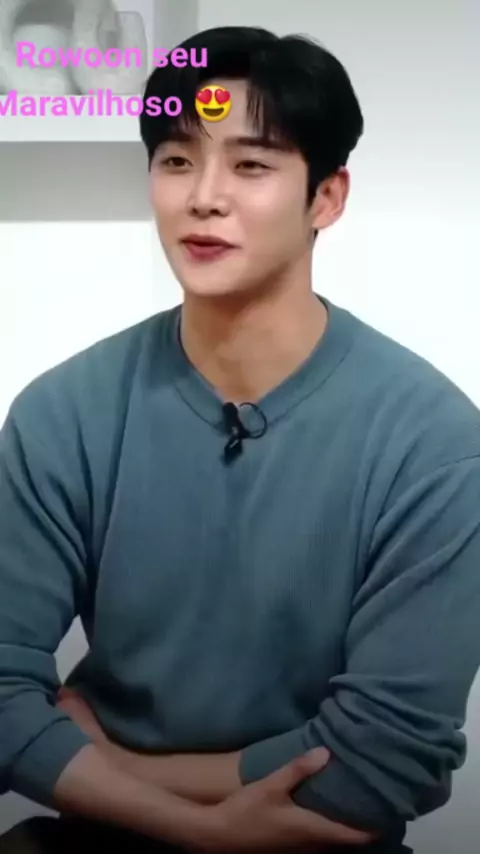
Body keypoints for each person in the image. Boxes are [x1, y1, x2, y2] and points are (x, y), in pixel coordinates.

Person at [0, 24, 479, 854]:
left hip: (314, 837)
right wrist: (199, 828)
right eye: (177, 160)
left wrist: (118, 763)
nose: (204, 197)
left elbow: (383, 764)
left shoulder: (434, 443)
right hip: (100, 834)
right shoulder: (63, 413)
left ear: (326, 198)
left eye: (251, 166)